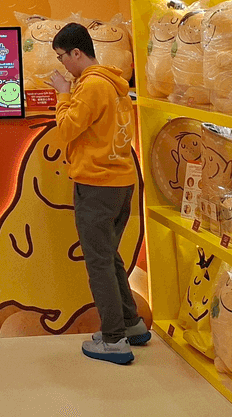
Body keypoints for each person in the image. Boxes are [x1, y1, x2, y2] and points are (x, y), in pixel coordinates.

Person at [48, 21, 150, 365]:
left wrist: (62, 94)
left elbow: (66, 129)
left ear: (77, 52)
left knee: (99, 263)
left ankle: (114, 339)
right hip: (121, 182)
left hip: (96, 185)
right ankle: (132, 323)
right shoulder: (114, 82)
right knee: (109, 256)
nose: (62, 64)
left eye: (62, 56)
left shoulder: (91, 86)